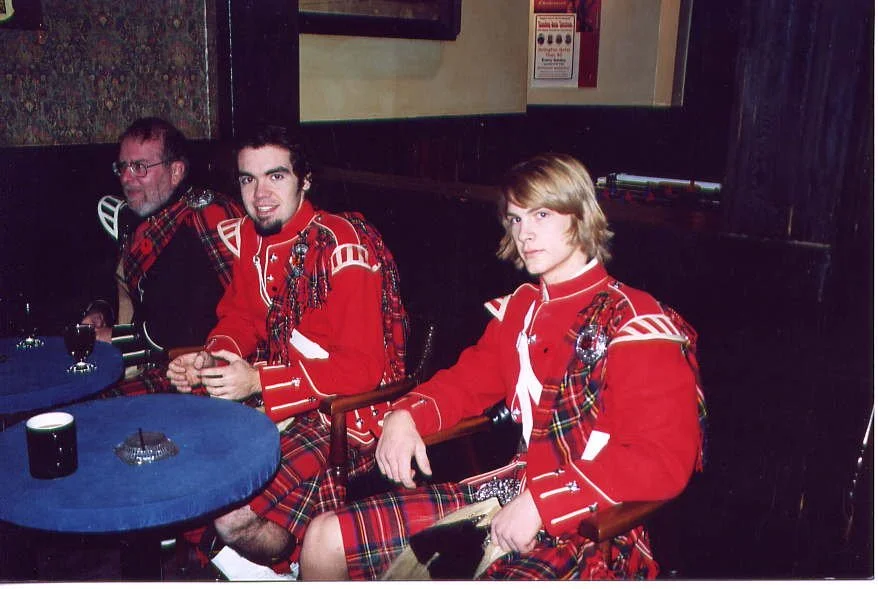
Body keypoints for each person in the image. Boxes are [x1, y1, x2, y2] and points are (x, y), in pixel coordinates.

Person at [299, 153, 708, 581]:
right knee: (325, 535)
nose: (524, 233)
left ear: (581, 216)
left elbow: (662, 459)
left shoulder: (637, 321)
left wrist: (541, 502)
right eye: (514, 219)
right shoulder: (523, 309)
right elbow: (466, 382)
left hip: (594, 527)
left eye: (541, 215)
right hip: (508, 490)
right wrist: (406, 414)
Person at [166, 124, 407, 571]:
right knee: (177, 454)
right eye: (247, 179)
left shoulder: (341, 244)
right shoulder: (254, 238)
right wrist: (212, 358)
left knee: (230, 513)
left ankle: (291, 562)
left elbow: (363, 369)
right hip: (275, 396)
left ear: (305, 179)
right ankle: (246, 562)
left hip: (342, 416)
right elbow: (240, 316)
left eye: (276, 176)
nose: (260, 194)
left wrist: (258, 379)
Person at [81, 117, 243, 393]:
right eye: (122, 166)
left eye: (140, 167)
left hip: (194, 369)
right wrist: (100, 311)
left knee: (93, 406)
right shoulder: (140, 217)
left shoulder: (202, 222)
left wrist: (109, 338)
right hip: (149, 355)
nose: (126, 178)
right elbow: (124, 287)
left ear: (176, 171)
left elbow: (181, 332)